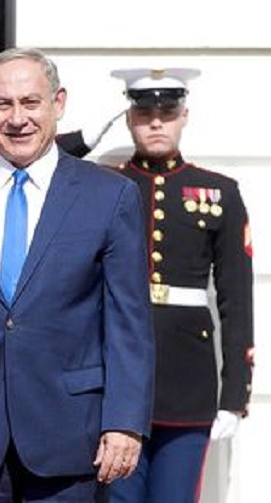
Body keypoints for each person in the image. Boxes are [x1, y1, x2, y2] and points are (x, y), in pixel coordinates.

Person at [0, 47, 155, 502]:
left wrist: (125, 422)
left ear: (58, 103)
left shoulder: (110, 196)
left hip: (72, 436)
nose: (17, 119)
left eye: (30, 102)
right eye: (3, 104)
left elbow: (128, 323)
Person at [104, 68, 254, 503]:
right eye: (144, 113)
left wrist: (234, 394)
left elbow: (236, 298)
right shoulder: (104, 186)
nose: (156, 122)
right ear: (129, 118)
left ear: (184, 116)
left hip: (188, 381)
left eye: (167, 113)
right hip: (116, 381)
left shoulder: (219, 192)